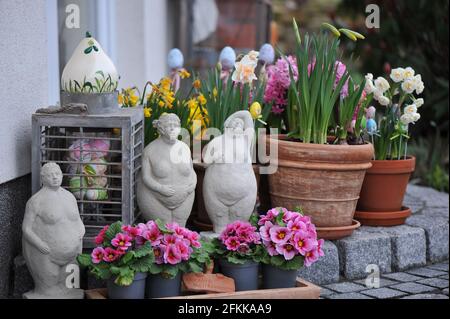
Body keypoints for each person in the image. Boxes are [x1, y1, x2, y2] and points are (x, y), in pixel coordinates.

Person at [22, 162, 85, 299]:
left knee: (69, 287)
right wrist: (39, 244)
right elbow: (26, 228)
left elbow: (77, 219)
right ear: (43, 178)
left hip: (73, 252)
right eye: (50, 175)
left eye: (57, 174)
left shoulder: (70, 197)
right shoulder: (36, 201)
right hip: (46, 254)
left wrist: (81, 231)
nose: (55, 178)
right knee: (48, 288)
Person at [137, 113, 197, 226]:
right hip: (155, 197)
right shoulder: (150, 150)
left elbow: (192, 172)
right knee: (160, 229)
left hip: (185, 198)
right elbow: (146, 177)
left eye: (176, 125)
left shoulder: (184, 148)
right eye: (169, 125)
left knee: (180, 229)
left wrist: (192, 185)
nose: (173, 128)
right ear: (161, 128)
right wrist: (160, 188)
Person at [203, 111, 257, 233]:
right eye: (235, 124)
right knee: (219, 229)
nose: (238, 127)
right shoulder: (217, 141)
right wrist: (215, 156)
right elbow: (206, 161)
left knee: (238, 230)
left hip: (244, 194)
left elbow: (247, 116)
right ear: (227, 127)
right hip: (216, 193)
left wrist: (233, 117)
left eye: (240, 125)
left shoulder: (245, 141)